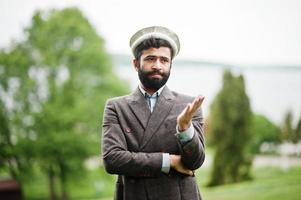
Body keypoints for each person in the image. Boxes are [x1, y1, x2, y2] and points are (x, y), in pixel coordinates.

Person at [102, 26, 205, 200]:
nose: (158, 66)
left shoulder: (188, 105)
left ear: (170, 64)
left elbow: (195, 162)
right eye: (151, 59)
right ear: (136, 64)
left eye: (164, 60)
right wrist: (169, 161)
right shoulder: (116, 107)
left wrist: (185, 129)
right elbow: (112, 159)